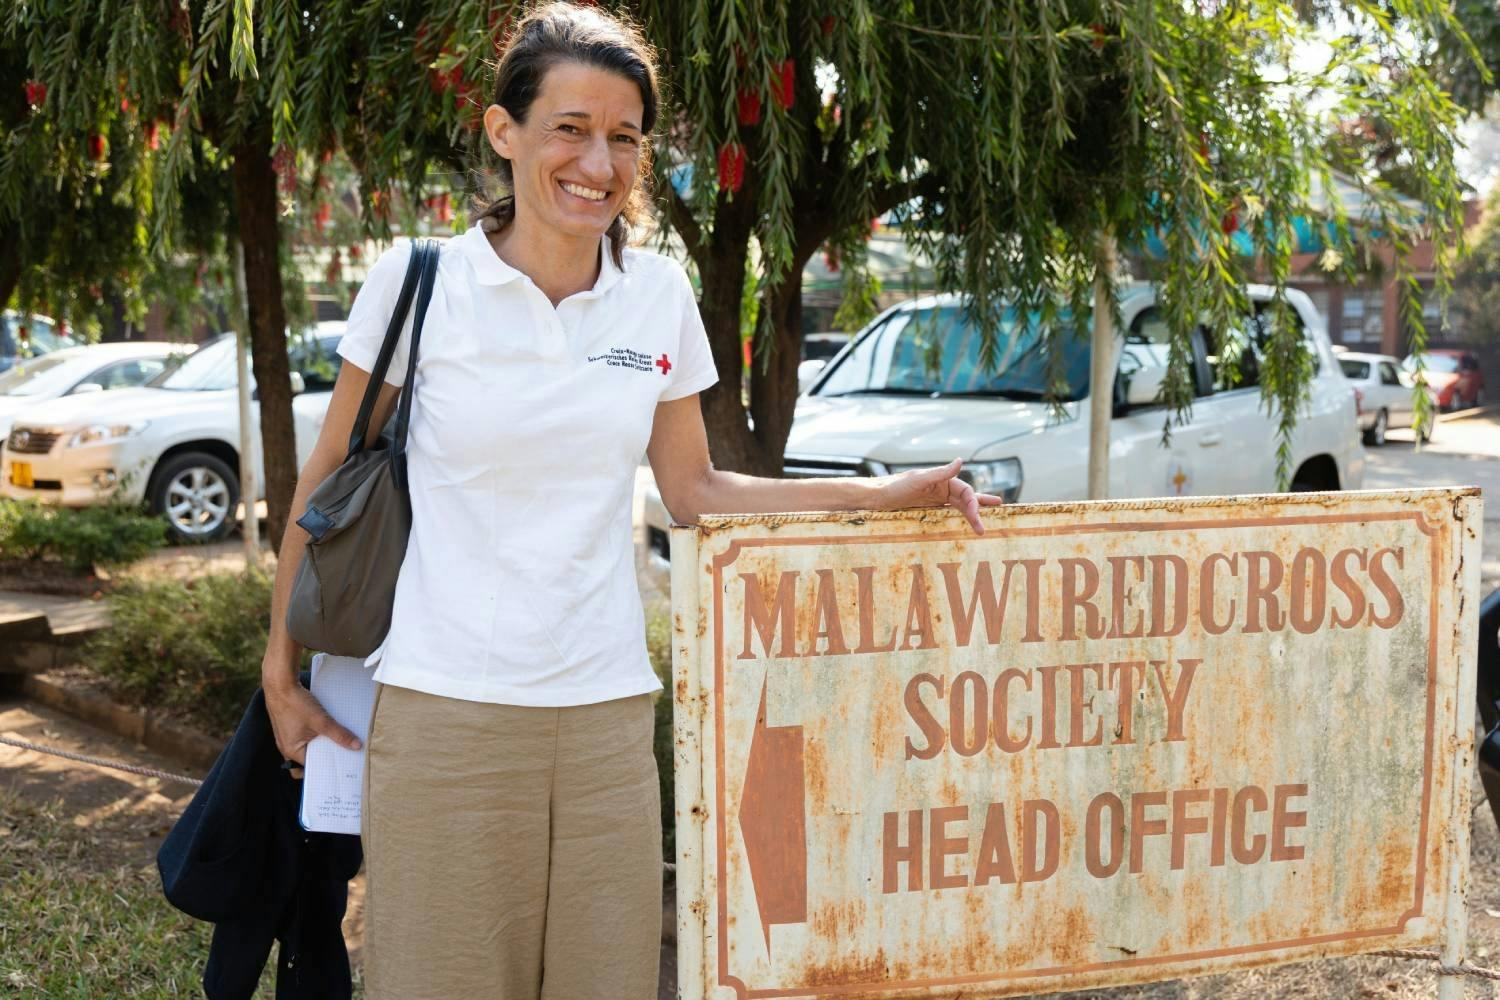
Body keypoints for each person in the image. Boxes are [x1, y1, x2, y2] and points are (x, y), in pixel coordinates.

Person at [260, 4, 1003, 998]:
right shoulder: (422, 282)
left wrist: (883, 493)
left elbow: (695, 491)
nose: (596, 163)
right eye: (569, 127)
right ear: (503, 132)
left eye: (623, 137)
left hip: (609, 719)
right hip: (447, 714)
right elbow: (322, 486)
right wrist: (280, 671)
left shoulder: (657, 294)